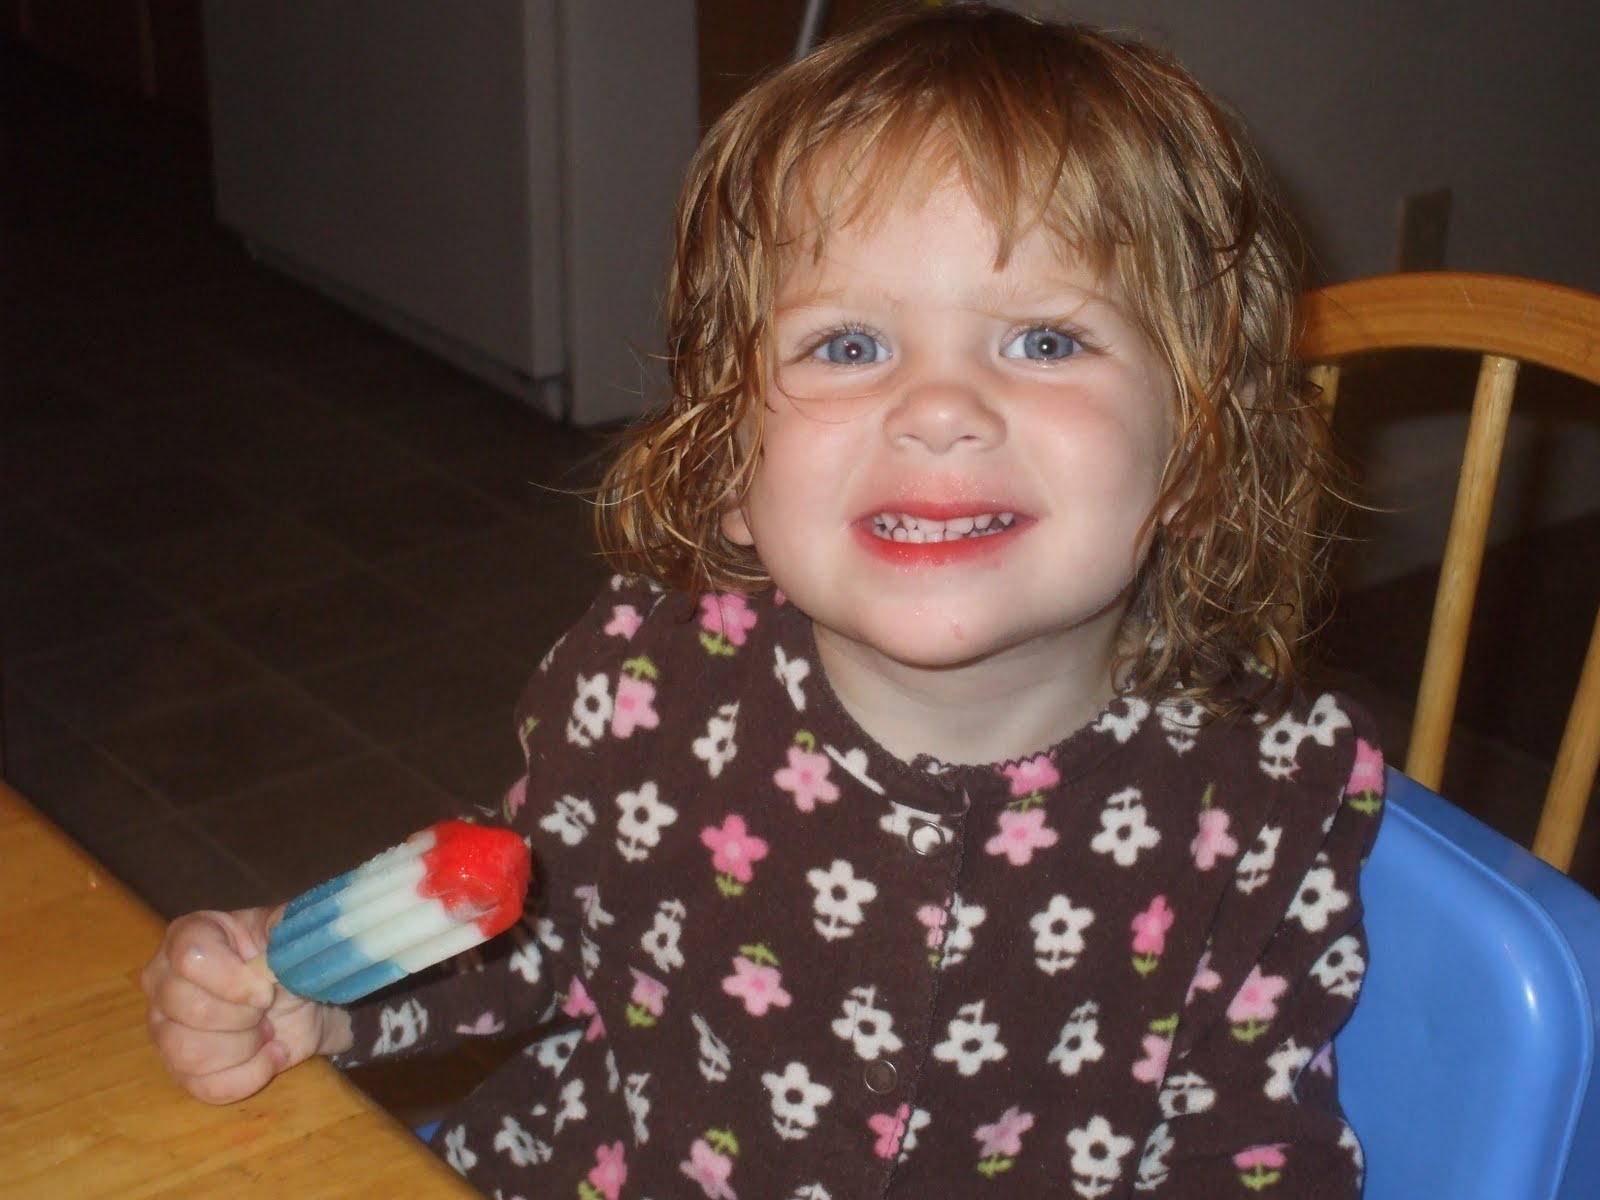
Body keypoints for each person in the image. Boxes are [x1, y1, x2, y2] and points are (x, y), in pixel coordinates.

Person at [142, 5, 1386, 1196]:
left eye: (1045, 341)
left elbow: (1246, 1153)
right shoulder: (647, 676)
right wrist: (320, 997)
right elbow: (542, 934)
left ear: (1196, 454)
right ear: (727, 463)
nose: (937, 407)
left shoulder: (1268, 795)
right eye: (848, 345)